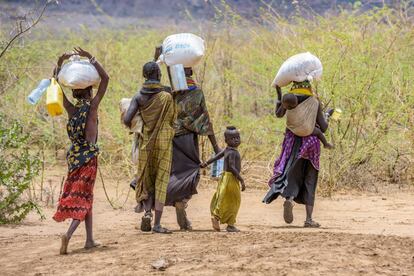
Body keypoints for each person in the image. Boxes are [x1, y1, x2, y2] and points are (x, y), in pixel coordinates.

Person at [52, 47, 109, 254]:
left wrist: (60, 61)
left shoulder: (71, 109)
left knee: (84, 196)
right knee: (84, 198)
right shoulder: (92, 108)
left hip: (74, 158)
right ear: (89, 91)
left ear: (75, 93)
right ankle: (68, 234)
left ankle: (89, 240)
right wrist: (90, 58)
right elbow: (106, 79)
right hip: (89, 159)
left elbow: (56, 85)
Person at [263, 80, 330, 228]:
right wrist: (327, 116)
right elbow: (323, 128)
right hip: (311, 143)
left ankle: (290, 198)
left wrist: (279, 94)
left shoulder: (289, 100)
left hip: (292, 142)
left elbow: (278, 114)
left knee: (292, 173)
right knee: (310, 179)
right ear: (309, 86)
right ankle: (309, 219)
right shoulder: (314, 102)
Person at [165, 65, 221, 231]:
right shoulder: (197, 93)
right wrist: (216, 146)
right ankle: (182, 201)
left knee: (170, 173)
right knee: (192, 172)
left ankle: (151, 209)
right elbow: (205, 118)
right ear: (190, 73)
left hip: (170, 139)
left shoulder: (170, 92)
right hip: (189, 140)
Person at [123, 61, 175, 234]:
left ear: (144, 76)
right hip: (164, 142)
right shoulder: (167, 96)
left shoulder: (139, 97)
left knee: (146, 177)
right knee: (161, 180)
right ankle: (158, 224)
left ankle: (146, 213)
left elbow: (126, 119)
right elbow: (173, 118)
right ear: (159, 75)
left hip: (147, 142)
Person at [201, 126, 245, 232]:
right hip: (231, 178)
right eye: (232, 138)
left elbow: (216, 157)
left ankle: (216, 216)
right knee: (235, 201)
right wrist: (241, 180)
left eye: (237, 137)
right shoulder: (232, 152)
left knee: (222, 198)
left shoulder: (227, 150)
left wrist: (205, 163)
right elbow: (232, 167)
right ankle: (230, 224)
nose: (236, 140)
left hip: (224, 177)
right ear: (226, 141)